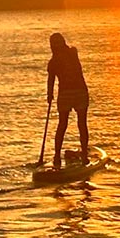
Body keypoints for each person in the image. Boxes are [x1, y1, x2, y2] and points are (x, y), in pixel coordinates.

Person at [46, 32, 90, 168]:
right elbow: (51, 79)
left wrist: (50, 94)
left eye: (57, 43)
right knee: (70, 124)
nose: (57, 46)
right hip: (71, 93)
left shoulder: (65, 56)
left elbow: (52, 79)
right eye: (55, 43)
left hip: (74, 92)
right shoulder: (62, 58)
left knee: (73, 124)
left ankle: (77, 155)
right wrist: (49, 93)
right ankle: (64, 156)